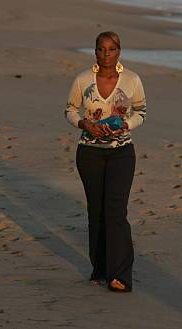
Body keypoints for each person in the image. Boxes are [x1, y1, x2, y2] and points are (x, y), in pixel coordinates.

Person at [64, 31, 146, 292]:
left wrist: (125, 123)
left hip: (122, 152)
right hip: (89, 153)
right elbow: (69, 110)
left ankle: (120, 274)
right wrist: (84, 123)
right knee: (96, 211)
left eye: (111, 49)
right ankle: (99, 268)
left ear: (119, 51)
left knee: (116, 211)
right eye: (101, 49)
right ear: (95, 51)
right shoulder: (83, 80)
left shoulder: (132, 79)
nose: (106, 54)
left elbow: (141, 112)